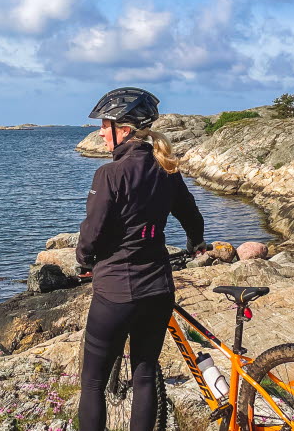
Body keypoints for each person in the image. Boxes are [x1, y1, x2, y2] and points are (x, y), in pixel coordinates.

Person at [76, 87, 206, 431]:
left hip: (116, 292)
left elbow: (92, 231)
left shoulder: (109, 175)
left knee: (91, 383)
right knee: (145, 372)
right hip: (158, 289)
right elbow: (193, 218)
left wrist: (84, 261)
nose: (101, 132)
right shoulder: (168, 169)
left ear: (125, 129)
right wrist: (195, 245)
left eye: (106, 125)